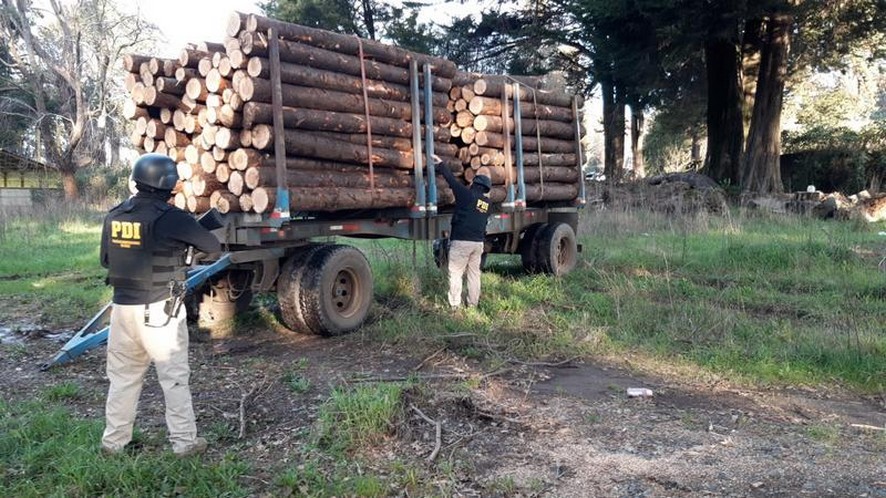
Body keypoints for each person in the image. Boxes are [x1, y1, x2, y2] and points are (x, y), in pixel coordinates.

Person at [99, 153, 221, 457]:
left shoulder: (115, 214)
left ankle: (113, 444)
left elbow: (105, 260)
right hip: (160, 312)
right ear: (168, 185)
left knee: (123, 379)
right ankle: (184, 444)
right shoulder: (171, 217)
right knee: (174, 379)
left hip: (122, 311)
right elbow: (212, 246)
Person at [437, 161, 492, 308]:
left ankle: (455, 305)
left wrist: (441, 165)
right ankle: (472, 304)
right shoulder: (487, 203)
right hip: (478, 243)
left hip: (461, 241)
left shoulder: (467, 195)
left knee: (456, 274)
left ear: (474, 184)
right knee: (474, 274)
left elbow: (452, 181)